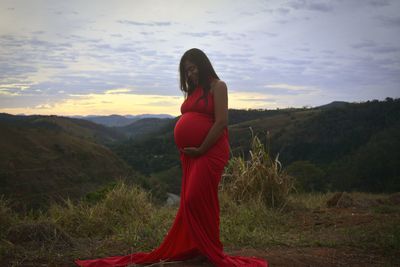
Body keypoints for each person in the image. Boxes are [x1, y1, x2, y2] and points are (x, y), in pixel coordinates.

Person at [75, 48, 268, 267]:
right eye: (186, 71)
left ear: (203, 65)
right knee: (198, 200)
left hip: (210, 150)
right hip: (193, 154)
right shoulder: (194, 91)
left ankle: (209, 249)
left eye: (193, 68)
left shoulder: (218, 86)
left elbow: (221, 122)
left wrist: (202, 148)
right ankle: (201, 248)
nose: (190, 74)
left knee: (194, 197)